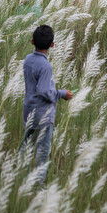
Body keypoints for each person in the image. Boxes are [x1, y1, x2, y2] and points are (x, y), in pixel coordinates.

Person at [20, 25, 73, 188]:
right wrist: (62, 94)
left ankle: (19, 178)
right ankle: (38, 185)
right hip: (43, 114)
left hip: (29, 110)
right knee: (43, 150)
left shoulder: (28, 60)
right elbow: (45, 91)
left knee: (26, 145)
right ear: (52, 45)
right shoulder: (45, 66)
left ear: (32, 42)